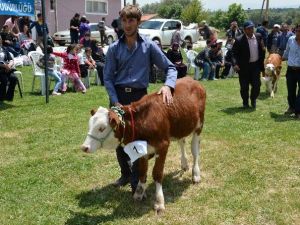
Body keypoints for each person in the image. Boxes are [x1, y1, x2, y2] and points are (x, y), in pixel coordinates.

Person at [104, 5, 177, 193]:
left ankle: (137, 177)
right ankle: (125, 174)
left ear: (138, 22)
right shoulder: (113, 49)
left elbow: (170, 67)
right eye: (125, 21)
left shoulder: (149, 46)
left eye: (131, 20)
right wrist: (114, 101)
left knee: (138, 140)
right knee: (118, 137)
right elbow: (108, 78)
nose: (127, 25)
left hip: (140, 99)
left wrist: (168, 85)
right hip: (118, 97)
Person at [232, 20, 265, 109]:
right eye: (248, 28)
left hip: (255, 66)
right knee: (244, 86)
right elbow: (234, 54)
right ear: (244, 30)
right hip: (243, 67)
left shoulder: (258, 36)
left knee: (257, 85)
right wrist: (235, 64)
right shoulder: (239, 40)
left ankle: (253, 99)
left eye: (252, 28)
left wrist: (262, 63)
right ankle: (245, 102)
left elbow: (262, 49)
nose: (251, 30)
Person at [282, 24, 300, 119]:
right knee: (291, 90)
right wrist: (282, 58)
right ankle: (292, 107)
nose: (298, 33)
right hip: (291, 70)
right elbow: (287, 51)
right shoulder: (290, 39)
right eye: (297, 31)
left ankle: (298, 111)